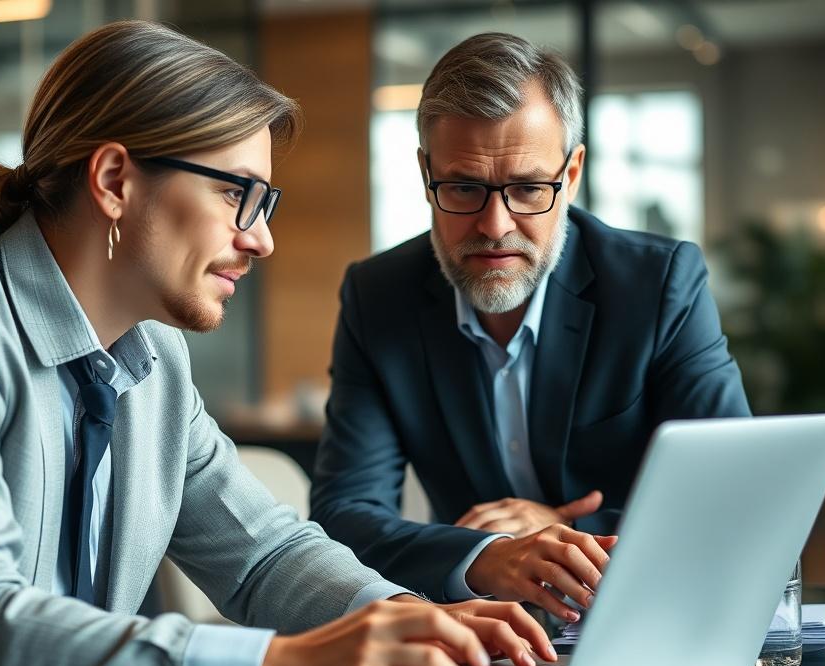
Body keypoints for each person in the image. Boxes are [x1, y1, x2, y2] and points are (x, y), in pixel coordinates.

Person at [0, 22, 555, 666]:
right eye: (240, 194)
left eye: (266, 205)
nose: (261, 238)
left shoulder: (153, 354)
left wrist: (405, 619)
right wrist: (278, 665)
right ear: (114, 180)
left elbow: (263, 553)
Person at [311, 33, 750, 618]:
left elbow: (732, 492)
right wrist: (490, 555)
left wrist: (557, 535)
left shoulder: (658, 285)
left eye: (526, 188)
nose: (494, 226)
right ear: (425, 175)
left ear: (570, 176)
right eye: (464, 187)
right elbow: (344, 516)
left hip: (646, 616)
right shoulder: (378, 296)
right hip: (484, 637)